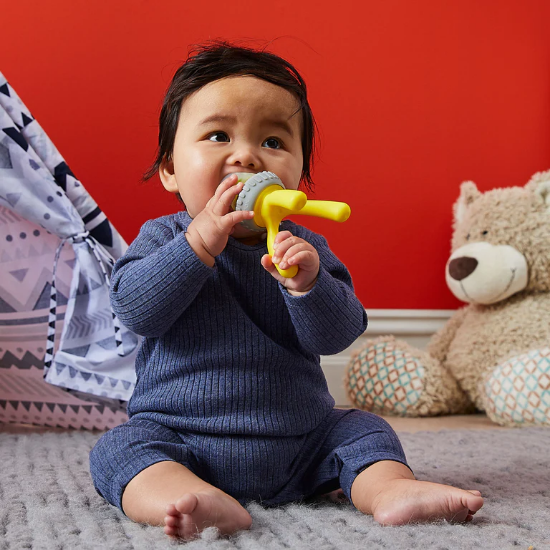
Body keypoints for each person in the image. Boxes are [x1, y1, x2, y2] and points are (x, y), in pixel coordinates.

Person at [89, 41, 484, 540]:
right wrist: (197, 246)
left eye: (274, 142)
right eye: (217, 135)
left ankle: (389, 490)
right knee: (117, 449)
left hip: (301, 442)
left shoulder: (306, 248)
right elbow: (135, 309)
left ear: (299, 175)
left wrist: (308, 286)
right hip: (182, 437)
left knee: (364, 429)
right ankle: (183, 493)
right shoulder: (164, 238)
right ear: (170, 169)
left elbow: (338, 334)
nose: (247, 157)